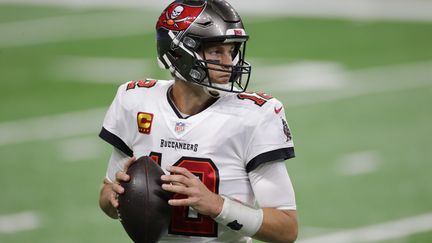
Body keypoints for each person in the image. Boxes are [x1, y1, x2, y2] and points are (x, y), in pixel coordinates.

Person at [98, 0, 298, 242]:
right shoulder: (136, 101)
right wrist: (116, 198)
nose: (229, 63)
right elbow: (107, 196)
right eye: (216, 51)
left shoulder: (255, 115)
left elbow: (287, 229)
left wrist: (217, 205)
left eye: (232, 51)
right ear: (178, 52)